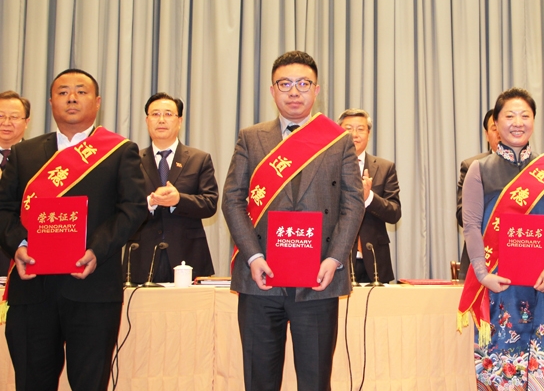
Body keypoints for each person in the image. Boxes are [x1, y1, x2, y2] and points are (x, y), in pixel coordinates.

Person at [222, 51, 364, 390]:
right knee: (259, 381)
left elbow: (353, 203)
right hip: (260, 279)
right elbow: (232, 199)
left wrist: (334, 259)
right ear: (272, 90)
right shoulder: (251, 137)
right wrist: (253, 256)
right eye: (285, 84)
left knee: (315, 382)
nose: (294, 92)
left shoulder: (338, 140)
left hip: (318, 280)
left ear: (317, 90)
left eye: (303, 83)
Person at [0, 69, 147, 391]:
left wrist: (96, 250)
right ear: (51, 101)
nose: (71, 98)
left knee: (89, 383)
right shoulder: (24, 153)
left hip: (93, 286)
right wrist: (19, 246)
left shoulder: (119, 151)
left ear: (97, 102)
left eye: (81, 91)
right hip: (32, 288)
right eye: (63, 91)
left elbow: (133, 209)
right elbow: (4, 209)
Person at [458, 88, 544, 390]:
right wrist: (482, 274)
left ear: (534, 120)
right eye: (509, 116)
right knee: (502, 370)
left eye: (525, 115)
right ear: (496, 123)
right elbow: (471, 225)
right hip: (499, 283)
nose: (518, 122)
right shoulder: (479, 170)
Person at [124, 93, 218, 284]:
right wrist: (150, 202)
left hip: (188, 255)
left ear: (179, 121)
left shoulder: (199, 159)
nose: (161, 120)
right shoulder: (131, 161)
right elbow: (123, 207)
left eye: (168, 114)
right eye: (155, 114)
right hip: (142, 256)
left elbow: (210, 204)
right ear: (147, 120)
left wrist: (178, 200)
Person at [337, 108, 401, 284]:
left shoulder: (385, 167)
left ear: (368, 133)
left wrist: (369, 197)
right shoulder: (327, 166)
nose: (354, 134)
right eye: (348, 129)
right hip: (337, 259)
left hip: (374, 260)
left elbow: (395, 213)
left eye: (360, 129)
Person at [456, 109, 500, 280]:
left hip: (519, 252)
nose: (499, 133)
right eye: (494, 128)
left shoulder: (531, 168)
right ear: (487, 134)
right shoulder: (473, 167)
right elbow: (462, 216)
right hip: (479, 258)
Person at [0, 91, 31, 275]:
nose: (6, 122)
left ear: (26, 122)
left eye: (13, 117)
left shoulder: (40, 160)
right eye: (1, 116)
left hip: (23, 250)